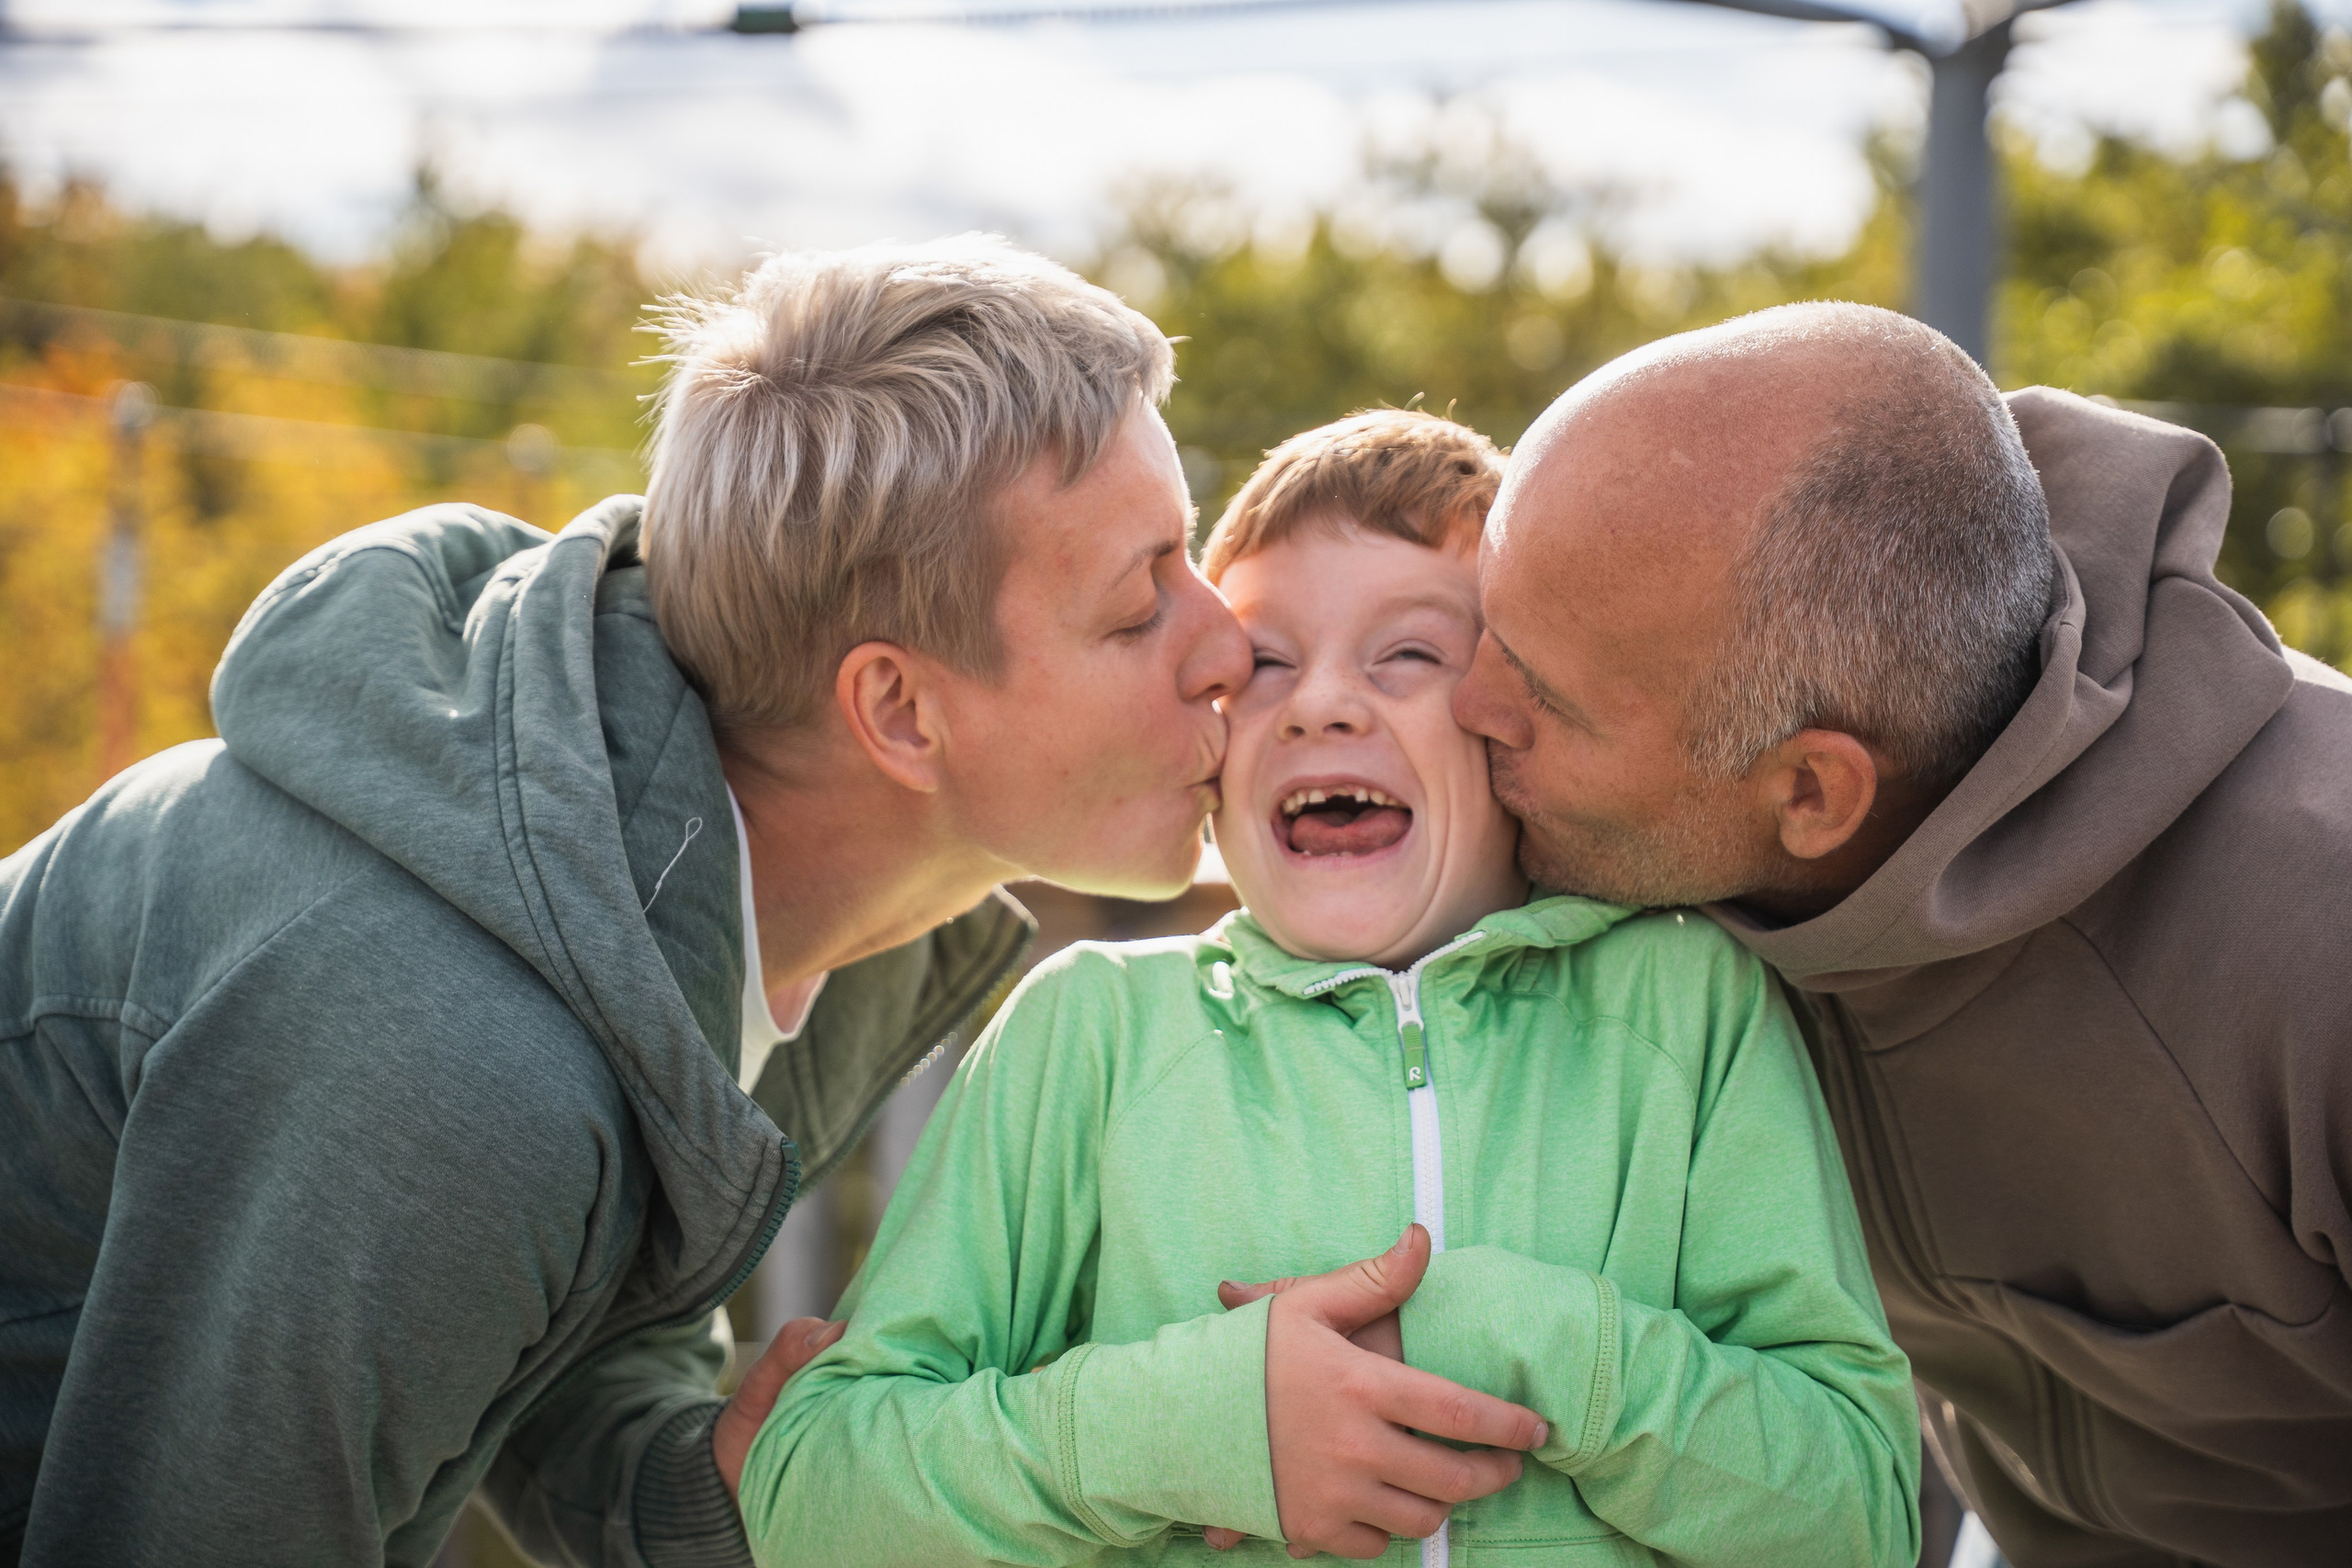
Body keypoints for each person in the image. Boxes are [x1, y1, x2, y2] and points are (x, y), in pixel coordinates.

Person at [0, 239, 1520, 1568]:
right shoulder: (438, 1062)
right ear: (901, 713)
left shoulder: (752, 896)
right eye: (1141, 604)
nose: (1230, 647)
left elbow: (542, 1348)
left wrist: (737, 1483)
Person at [736, 411, 1922, 1568]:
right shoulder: (1089, 1032)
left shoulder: (1688, 1008)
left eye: (1409, 654)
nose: (1319, 704)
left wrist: (1522, 1342)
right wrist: (1187, 1424)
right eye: (1262, 666)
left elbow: (1859, 1517)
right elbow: (817, 1499)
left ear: (1513, 719)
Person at [1451, 300, 2352, 1567]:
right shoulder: (1668, 856)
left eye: (1542, 696)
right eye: (1480, 625)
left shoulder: (2318, 950)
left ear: (1813, 794)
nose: (1463, 704)